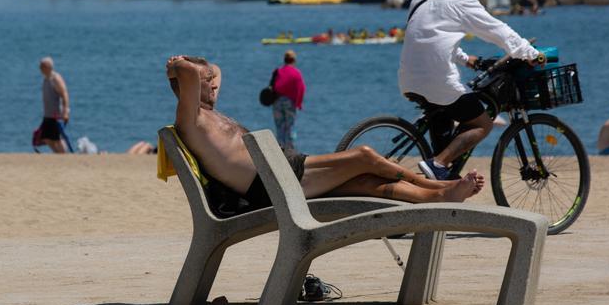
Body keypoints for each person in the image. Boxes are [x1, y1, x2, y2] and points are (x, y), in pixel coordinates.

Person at [166, 55, 484, 209]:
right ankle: (436, 184)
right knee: (365, 156)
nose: (214, 83)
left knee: (366, 183)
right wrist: (179, 66)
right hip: (273, 182)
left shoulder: (208, 112)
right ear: (189, 87)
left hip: (280, 173)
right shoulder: (191, 118)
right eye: (207, 82)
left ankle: (437, 197)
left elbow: (215, 68)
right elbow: (187, 73)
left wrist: (202, 68)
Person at [399, 0, 544, 180]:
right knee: (482, 124)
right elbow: (497, 30)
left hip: (407, 78)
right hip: (437, 81)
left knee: (444, 118)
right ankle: (438, 163)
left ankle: (441, 179)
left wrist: (466, 60)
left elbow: (431, 38)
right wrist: (531, 53)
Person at [271, 50, 306, 149]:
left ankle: (280, 148)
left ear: (284, 60)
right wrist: (298, 104)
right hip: (290, 103)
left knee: (279, 127)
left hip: (277, 102)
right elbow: (301, 88)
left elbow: (273, 86)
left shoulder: (278, 71)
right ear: (294, 60)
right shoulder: (296, 73)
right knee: (289, 127)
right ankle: (290, 149)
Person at [39, 57, 71, 153]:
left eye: (42, 66)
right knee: (46, 138)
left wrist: (65, 111)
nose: (40, 68)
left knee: (57, 138)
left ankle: (64, 156)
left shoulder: (55, 78)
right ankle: (58, 155)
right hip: (48, 114)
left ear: (47, 67)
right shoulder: (46, 78)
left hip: (56, 115)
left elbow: (64, 94)